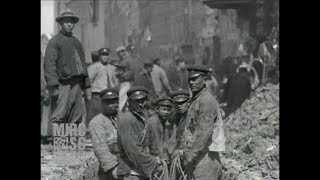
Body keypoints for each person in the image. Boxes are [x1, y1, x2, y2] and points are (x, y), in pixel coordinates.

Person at [176, 65, 225, 180]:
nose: (191, 82)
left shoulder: (206, 100)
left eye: (195, 79)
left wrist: (188, 156)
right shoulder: (196, 100)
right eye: (189, 80)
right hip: (197, 160)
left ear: (204, 79)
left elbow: (204, 133)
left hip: (205, 160)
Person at [44, 10, 88, 129]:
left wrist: (86, 85)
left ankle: (72, 142)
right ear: (61, 24)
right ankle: (59, 142)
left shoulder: (76, 42)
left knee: (77, 113)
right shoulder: (55, 41)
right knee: (60, 112)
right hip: (63, 83)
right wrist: (53, 85)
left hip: (77, 82)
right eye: (66, 22)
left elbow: (83, 64)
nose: (69, 24)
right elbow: (49, 63)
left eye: (71, 22)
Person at [117, 86, 165, 180]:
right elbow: (134, 149)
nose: (140, 104)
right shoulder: (126, 120)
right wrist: (154, 163)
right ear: (129, 102)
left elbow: (152, 142)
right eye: (136, 101)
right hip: (130, 172)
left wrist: (159, 157)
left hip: (142, 170)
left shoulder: (143, 117)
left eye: (142, 101)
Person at [89, 88, 120, 180]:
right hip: (110, 167)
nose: (110, 105)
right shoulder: (97, 122)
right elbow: (101, 149)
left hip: (126, 162)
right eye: (107, 102)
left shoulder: (123, 118)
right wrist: (113, 169)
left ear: (118, 102)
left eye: (113, 102)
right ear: (102, 104)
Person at [87, 48, 118, 122]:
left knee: (109, 114)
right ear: (100, 56)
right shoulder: (94, 67)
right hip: (98, 95)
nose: (105, 57)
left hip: (109, 95)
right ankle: (89, 129)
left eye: (107, 55)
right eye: (103, 55)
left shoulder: (111, 67)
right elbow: (89, 81)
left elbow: (115, 80)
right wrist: (89, 95)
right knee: (95, 114)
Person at [146, 96, 174, 162]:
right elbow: (156, 144)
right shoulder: (153, 122)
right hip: (155, 157)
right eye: (164, 109)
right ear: (157, 109)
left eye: (168, 110)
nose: (166, 112)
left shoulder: (166, 121)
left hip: (163, 156)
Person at [168, 90, 190, 156]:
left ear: (188, 102)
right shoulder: (174, 117)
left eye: (182, 103)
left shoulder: (193, 116)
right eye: (176, 103)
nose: (179, 106)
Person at [115, 46, 135, 112]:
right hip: (121, 82)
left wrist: (123, 75)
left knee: (122, 97)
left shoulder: (129, 59)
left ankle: (120, 112)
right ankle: (123, 112)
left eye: (121, 52)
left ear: (123, 52)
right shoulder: (121, 60)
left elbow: (132, 71)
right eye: (118, 53)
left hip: (127, 82)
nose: (120, 54)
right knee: (122, 97)